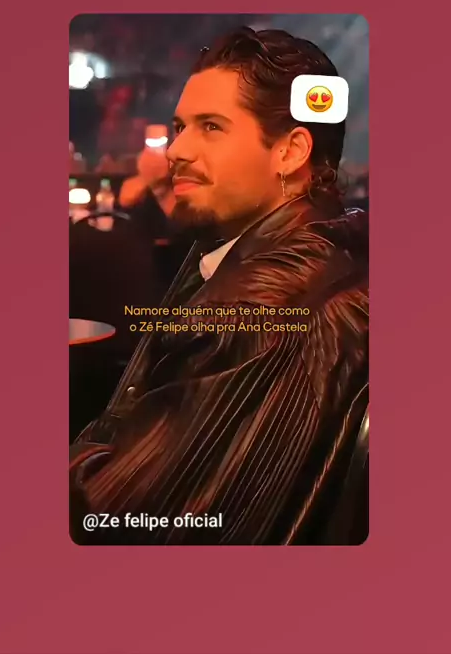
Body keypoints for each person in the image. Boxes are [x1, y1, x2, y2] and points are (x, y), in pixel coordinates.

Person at [70, 27, 369, 545]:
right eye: (179, 127)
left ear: (290, 151)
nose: (177, 150)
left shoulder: (257, 307)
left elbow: (105, 518)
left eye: (211, 127)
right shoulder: (322, 248)